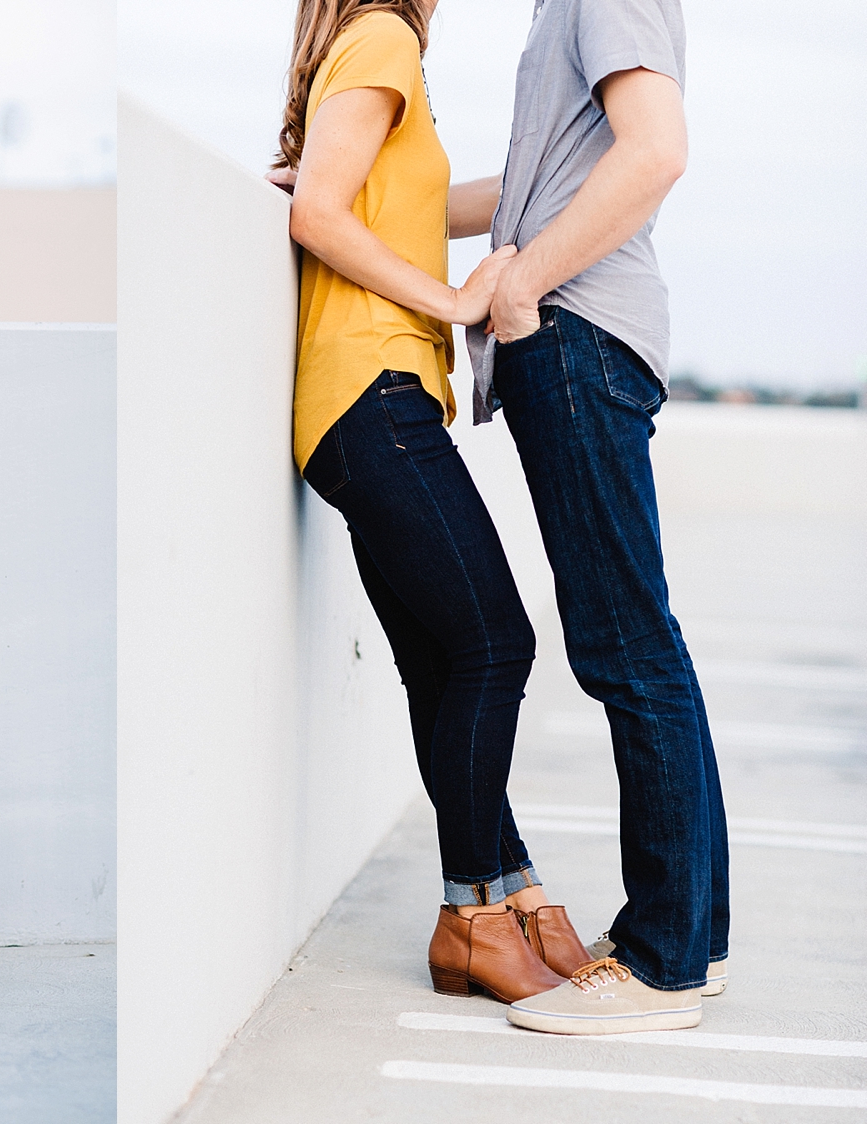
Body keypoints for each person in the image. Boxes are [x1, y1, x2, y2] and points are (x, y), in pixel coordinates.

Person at [267, 0, 587, 1004]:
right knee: (499, 643)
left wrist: (568, 187)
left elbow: (420, 199)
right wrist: (451, 302)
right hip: (375, 394)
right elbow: (316, 212)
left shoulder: (376, 49)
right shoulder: (386, 38)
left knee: (442, 663)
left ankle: (509, 895)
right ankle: (471, 911)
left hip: (356, 408)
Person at [464, 0, 729, 1035]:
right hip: (580, 334)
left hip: (575, 332)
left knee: (626, 647)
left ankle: (661, 965)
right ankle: (689, 940)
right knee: (644, 642)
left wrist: (524, 284)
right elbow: (534, 186)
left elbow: (656, 150)